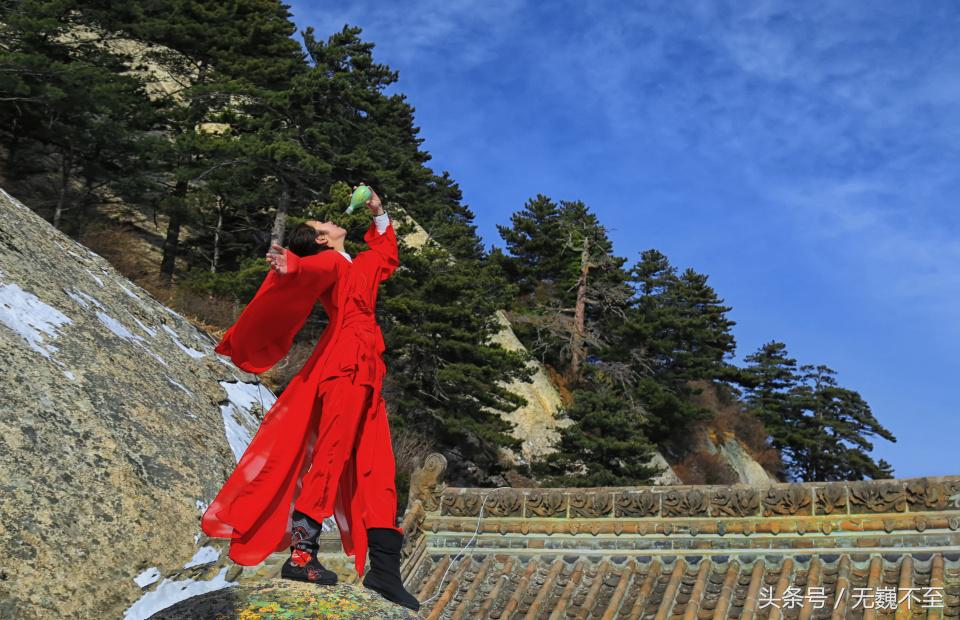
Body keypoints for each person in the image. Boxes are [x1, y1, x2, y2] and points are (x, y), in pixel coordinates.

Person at [200, 185, 420, 611]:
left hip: (368, 369)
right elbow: (311, 273)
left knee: (378, 467)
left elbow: (387, 257)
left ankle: (385, 573)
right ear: (321, 239)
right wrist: (291, 268)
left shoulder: (357, 263)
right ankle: (302, 556)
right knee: (332, 456)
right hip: (342, 367)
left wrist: (379, 211)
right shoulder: (329, 263)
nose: (330, 222)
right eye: (322, 225)